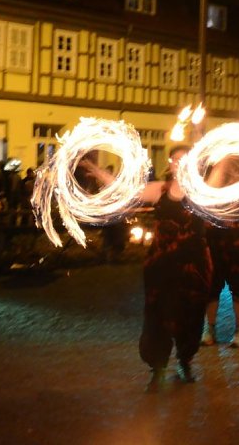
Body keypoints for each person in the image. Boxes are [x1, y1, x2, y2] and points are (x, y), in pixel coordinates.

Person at [83, 145, 212, 392]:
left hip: (193, 266)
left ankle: (185, 361)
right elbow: (126, 189)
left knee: (190, 316)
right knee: (158, 316)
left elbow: (225, 186)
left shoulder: (202, 192)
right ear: (170, 164)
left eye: (184, 160)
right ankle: (158, 369)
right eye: (175, 159)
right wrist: (97, 171)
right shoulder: (159, 190)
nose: (178, 163)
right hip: (162, 265)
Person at [201, 157, 239, 348]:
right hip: (213, 239)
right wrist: (221, 165)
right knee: (210, 288)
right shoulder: (213, 174)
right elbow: (206, 195)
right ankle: (210, 328)